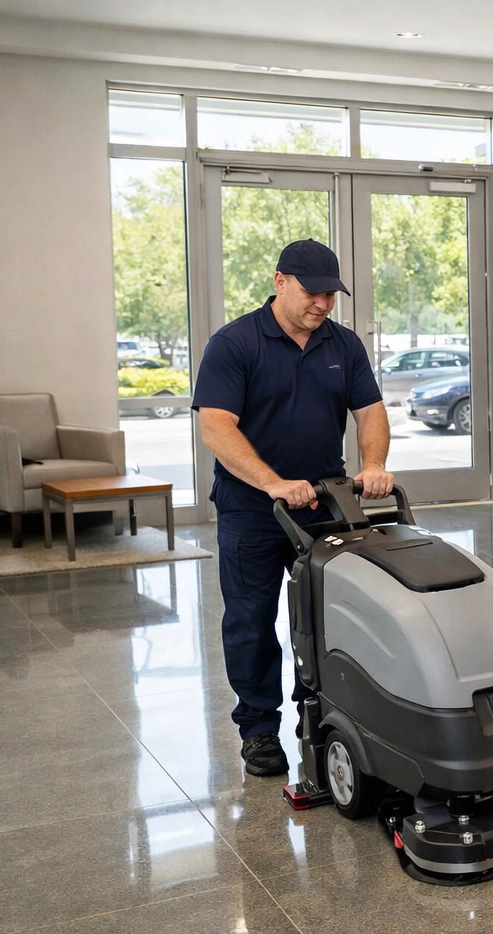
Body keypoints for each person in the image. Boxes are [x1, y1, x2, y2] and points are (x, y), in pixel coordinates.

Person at [193, 239, 394, 777]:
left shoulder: (344, 345)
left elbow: (370, 413)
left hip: (323, 505)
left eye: (331, 294)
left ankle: (320, 714)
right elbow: (216, 427)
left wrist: (372, 464)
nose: (323, 304)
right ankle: (258, 730)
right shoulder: (234, 343)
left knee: (326, 619)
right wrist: (273, 482)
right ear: (280, 281)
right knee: (251, 621)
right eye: (313, 292)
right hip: (251, 510)